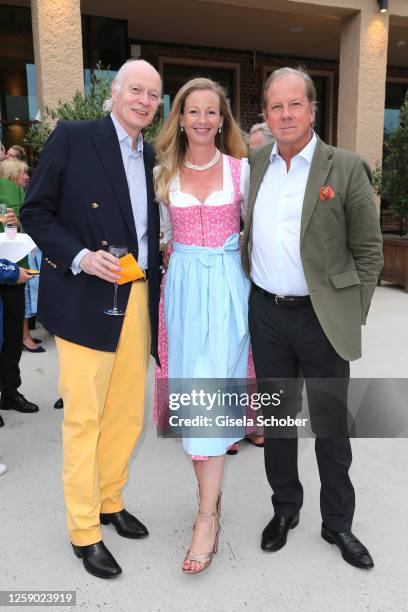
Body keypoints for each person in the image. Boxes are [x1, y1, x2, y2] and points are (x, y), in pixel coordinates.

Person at [20, 59, 162, 579]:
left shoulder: (151, 154)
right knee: (84, 419)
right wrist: (79, 256)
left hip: (137, 296)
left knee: (126, 413)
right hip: (85, 295)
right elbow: (36, 211)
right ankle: (84, 531)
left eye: (153, 94)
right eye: (136, 90)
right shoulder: (75, 138)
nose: (144, 101)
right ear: (115, 92)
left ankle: (110, 500)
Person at [241, 67, 383, 570]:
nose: (285, 115)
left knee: (330, 426)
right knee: (277, 423)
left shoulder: (344, 167)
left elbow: (369, 251)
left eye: (294, 105)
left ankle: (338, 523)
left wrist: (350, 311)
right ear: (265, 114)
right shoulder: (253, 164)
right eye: (276, 106)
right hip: (267, 313)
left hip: (321, 318)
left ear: (312, 109)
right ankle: (285, 510)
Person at [155, 77, 249, 574]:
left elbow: (259, 234)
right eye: (194, 112)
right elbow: (162, 239)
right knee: (196, 404)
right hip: (185, 295)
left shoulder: (241, 171)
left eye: (212, 112)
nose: (203, 121)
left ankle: (206, 517)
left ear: (222, 119)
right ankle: (207, 505)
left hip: (229, 294)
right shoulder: (163, 172)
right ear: (181, 117)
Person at [0, 164, 39, 415]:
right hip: (8, 273)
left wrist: (16, 224)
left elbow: (18, 230)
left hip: (13, 273)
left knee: (14, 338)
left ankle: (10, 392)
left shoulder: (14, 191)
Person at [0, 258, 34, 433]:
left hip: (9, 273)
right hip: (7, 271)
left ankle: (9, 393)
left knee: (12, 341)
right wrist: (11, 271)